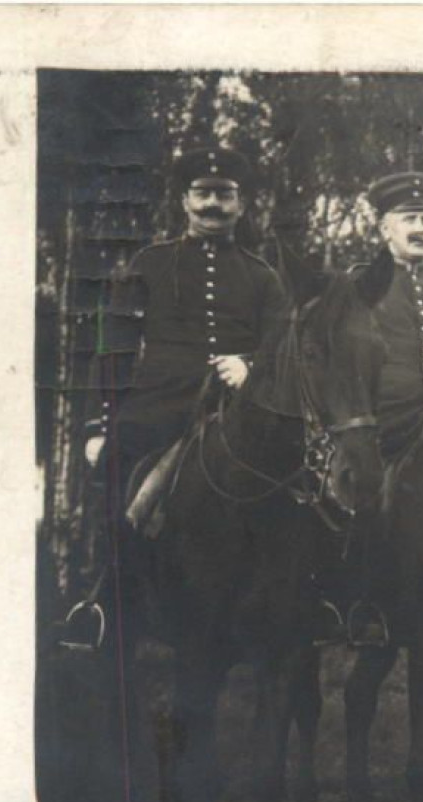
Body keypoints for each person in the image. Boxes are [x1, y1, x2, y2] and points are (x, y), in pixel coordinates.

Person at [59, 143, 292, 651]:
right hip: (158, 405)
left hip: (237, 410)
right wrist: (99, 425)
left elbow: (284, 345)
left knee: (299, 484)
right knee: (115, 472)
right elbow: (115, 347)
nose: (213, 205)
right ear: (184, 201)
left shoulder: (262, 275)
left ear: (242, 205)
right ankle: (104, 604)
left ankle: (305, 606)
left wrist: (250, 365)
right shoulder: (151, 262)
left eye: (225, 195)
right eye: (203, 193)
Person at [301, 170, 423, 646]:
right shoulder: (356, 286)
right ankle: (363, 605)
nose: (421, 228)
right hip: (384, 422)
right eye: (409, 218)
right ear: (384, 227)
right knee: (369, 499)